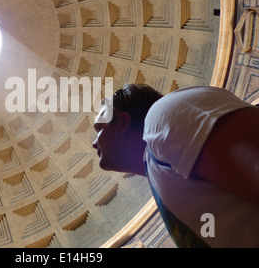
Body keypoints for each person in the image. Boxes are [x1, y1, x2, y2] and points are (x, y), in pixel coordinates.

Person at [92, 84, 259, 248]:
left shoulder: (163, 113)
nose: (94, 143)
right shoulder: (158, 172)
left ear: (123, 122)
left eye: (99, 128)